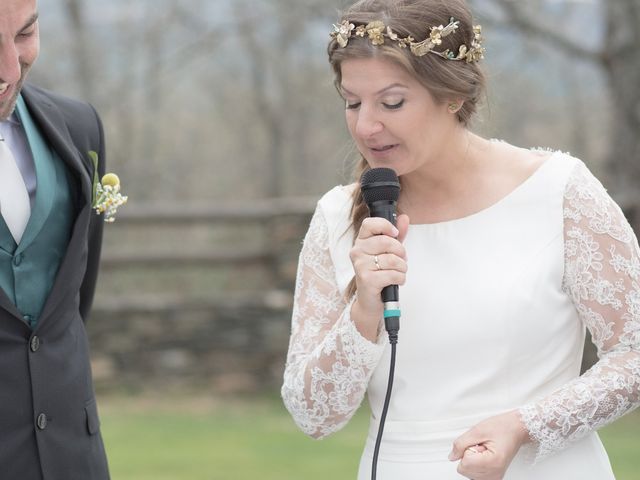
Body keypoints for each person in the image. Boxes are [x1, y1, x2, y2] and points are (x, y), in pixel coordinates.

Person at [281, 0, 640, 478]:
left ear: (451, 95)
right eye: (352, 102)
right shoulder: (336, 218)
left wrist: (525, 425)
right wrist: (364, 307)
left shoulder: (558, 191)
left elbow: (633, 356)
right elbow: (313, 415)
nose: (366, 125)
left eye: (391, 102)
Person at [0, 1, 110, 478]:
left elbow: (73, 301)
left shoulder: (78, 126)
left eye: (24, 35)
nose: (9, 67)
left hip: (74, 455)